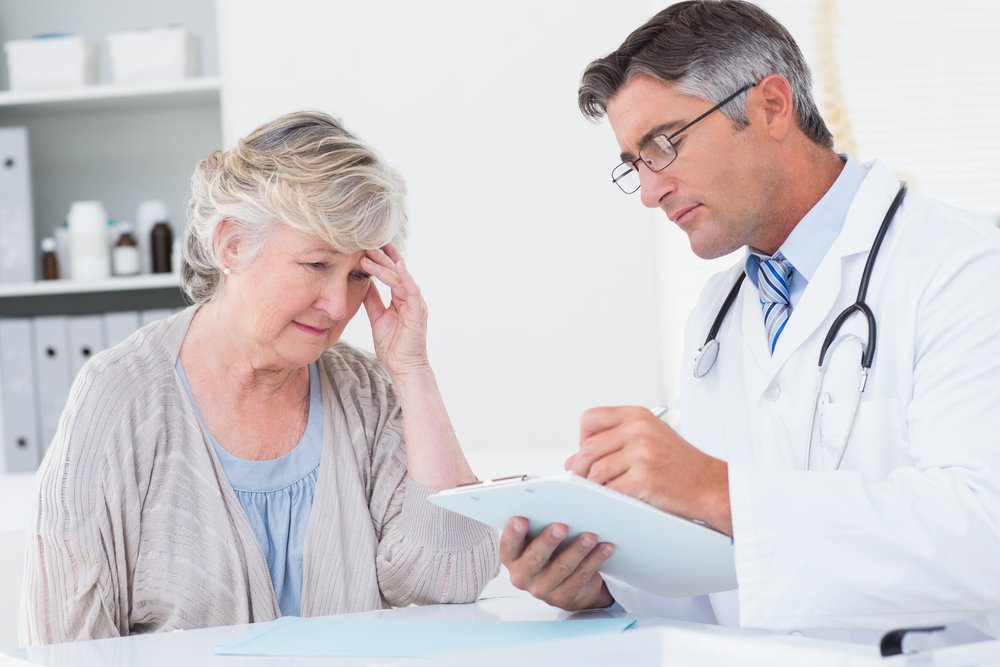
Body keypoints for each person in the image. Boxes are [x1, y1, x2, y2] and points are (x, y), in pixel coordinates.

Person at [500, 0, 1000, 641]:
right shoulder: (719, 311)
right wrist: (600, 575)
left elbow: (985, 535)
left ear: (770, 106)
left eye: (664, 144)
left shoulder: (961, 269)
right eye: (635, 163)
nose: (651, 191)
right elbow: (728, 563)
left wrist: (716, 488)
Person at [20, 110, 498, 645]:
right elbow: (65, 643)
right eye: (317, 265)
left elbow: (447, 577)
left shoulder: (363, 391)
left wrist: (413, 371)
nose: (338, 304)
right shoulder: (119, 396)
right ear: (231, 245)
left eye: (360, 274)